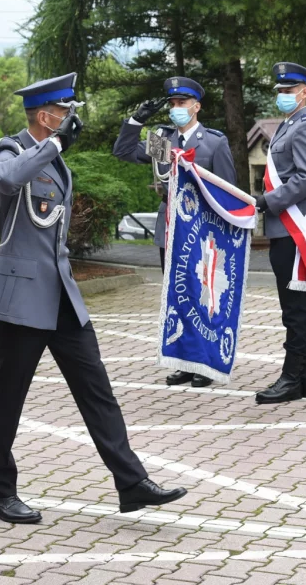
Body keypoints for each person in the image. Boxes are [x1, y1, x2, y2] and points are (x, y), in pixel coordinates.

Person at [0, 74, 188, 524]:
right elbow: (4, 181)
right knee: (7, 398)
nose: (70, 117)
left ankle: (131, 483)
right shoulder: (12, 149)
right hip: (22, 297)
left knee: (96, 389)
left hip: (60, 293)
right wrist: (54, 146)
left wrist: (55, 151)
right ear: (44, 116)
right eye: (64, 110)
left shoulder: (56, 162)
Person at [113, 76, 236, 388]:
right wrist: (136, 119)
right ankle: (183, 359)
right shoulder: (164, 142)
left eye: (182, 103)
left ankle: (204, 363)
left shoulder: (213, 142)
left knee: (203, 294)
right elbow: (123, 151)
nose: (176, 108)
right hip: (170, 228)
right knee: (177, 295)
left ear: (197, 106)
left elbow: (227, 191)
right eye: (172, 103)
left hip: (203, 232)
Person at [250, 62, 306, 404]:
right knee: (294, 306)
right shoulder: (286, 127)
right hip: (285, 229)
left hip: (296, 227)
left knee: (297, 307)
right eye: (279, 91)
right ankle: (304, 378)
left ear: (303, 92)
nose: (282, 96)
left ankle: (293, 376)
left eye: (287, 91)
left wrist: (268, 201)